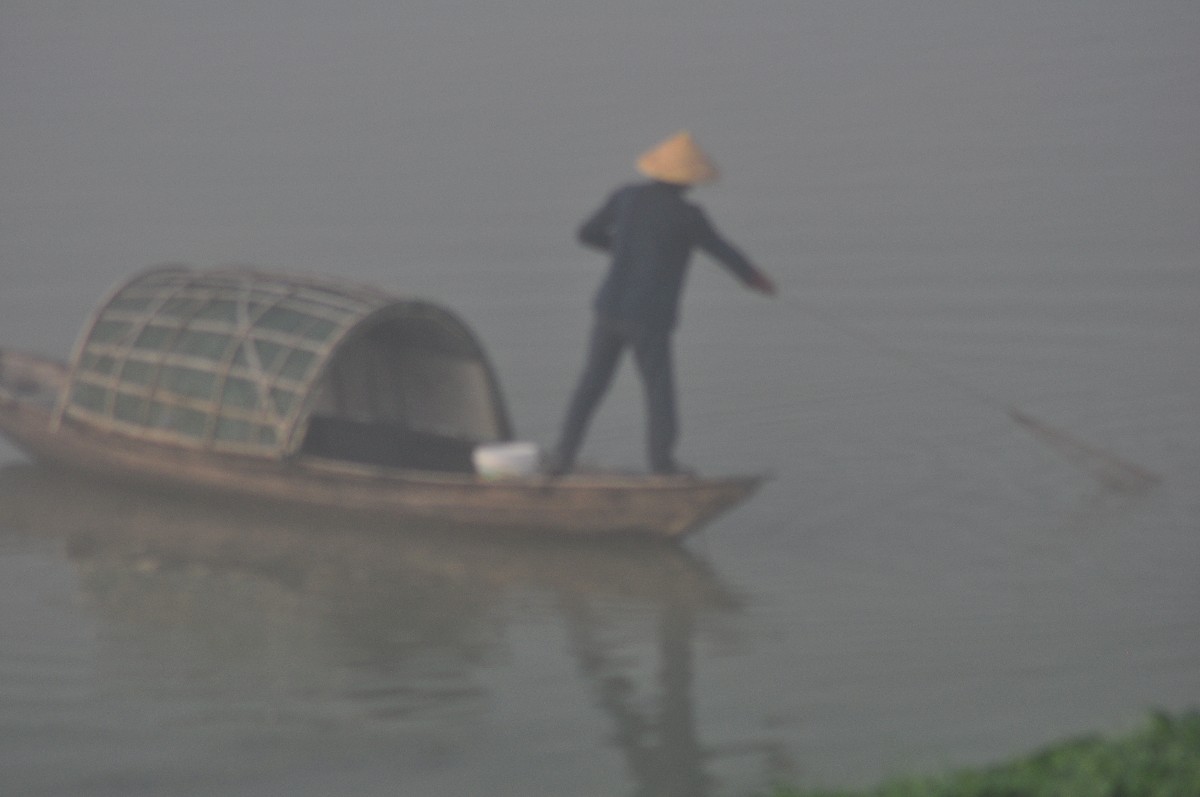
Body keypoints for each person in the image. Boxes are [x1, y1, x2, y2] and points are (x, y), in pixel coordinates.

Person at [548, 131, 777, 476]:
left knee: (591, 385)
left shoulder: (626, 197)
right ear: (688, 180)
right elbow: (723, 252)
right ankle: (662, 465)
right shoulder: (689, 216)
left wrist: (622, 250)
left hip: (608, 309)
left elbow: (586, 234)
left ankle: (561, 459)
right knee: (658, 392)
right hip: (649, 318)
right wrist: (755, 279)